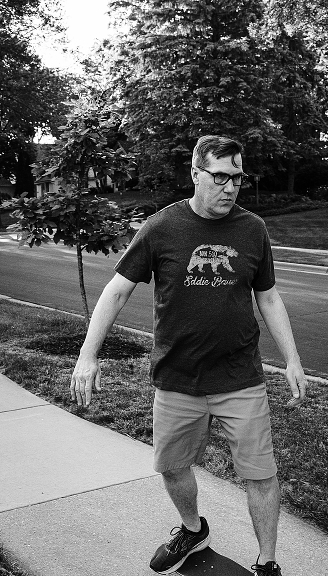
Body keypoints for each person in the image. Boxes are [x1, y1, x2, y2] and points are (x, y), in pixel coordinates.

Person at [70, 135, 307, 576]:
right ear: (196, 174)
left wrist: (292, 359)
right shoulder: (162, 227)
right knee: (173, 467)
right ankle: (192, 528)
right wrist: (88, 354)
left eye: (237, 177)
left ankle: (267, 563)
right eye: (220, 176)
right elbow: (117, 289)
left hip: (240, 378)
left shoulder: (252, 228)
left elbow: (269, 298)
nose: (231, 187)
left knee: (260, 475)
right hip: (178, 378)